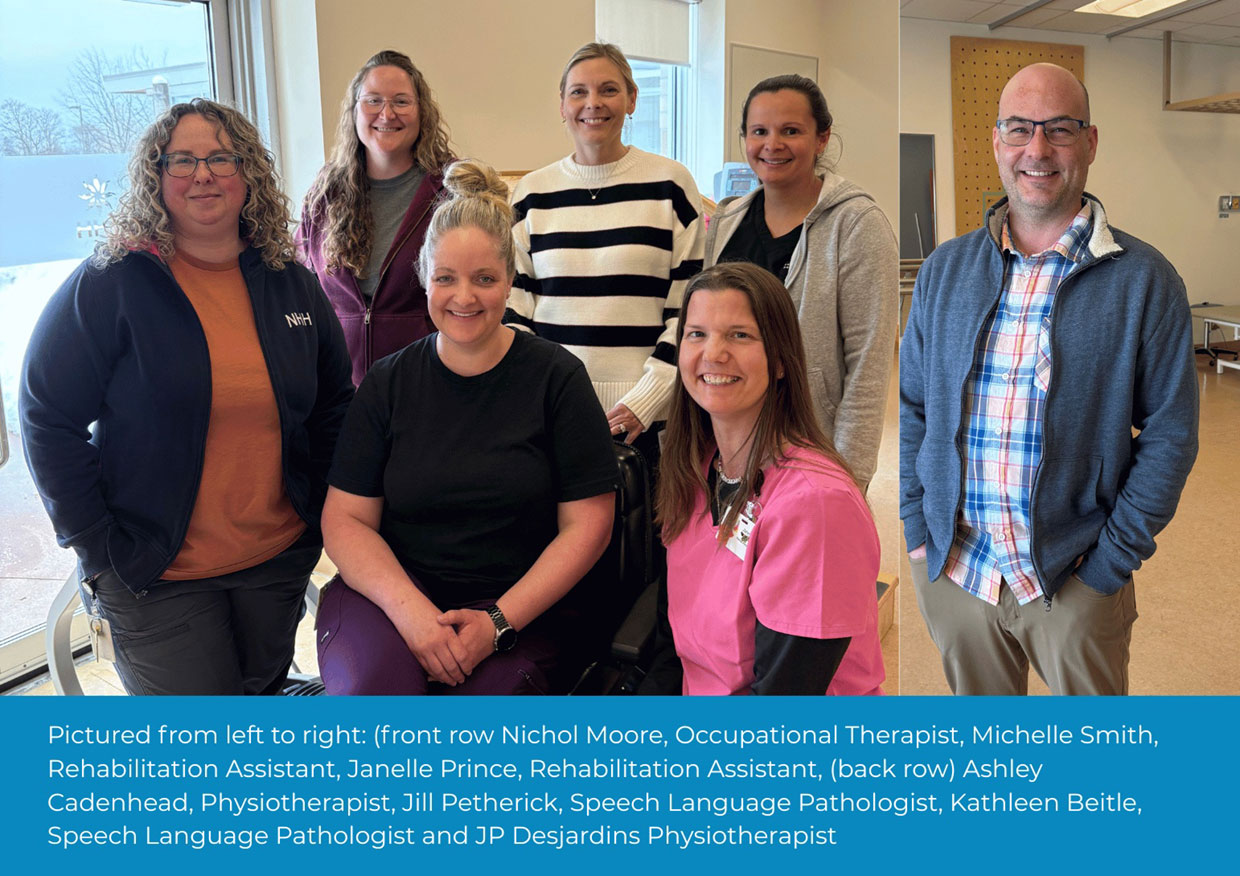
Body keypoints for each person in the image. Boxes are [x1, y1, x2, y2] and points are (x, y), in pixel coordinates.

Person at [19, 99, 354, 695]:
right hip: (156, 573)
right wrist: (98, 550)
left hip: (274, 562)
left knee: (255, 715)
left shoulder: (289, 280)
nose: (203, 173)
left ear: (248, 173)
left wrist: (319, 516)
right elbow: (46, 415)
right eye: (182, 160)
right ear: (156, 177)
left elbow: (332, 405)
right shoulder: (112, 282)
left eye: (221, 157)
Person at [900, 63, 1198, 696]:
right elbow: (915, 411)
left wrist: (1111, 564)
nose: (1037, 150)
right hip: (959, 573)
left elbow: (1171, 435)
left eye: (1059, 129)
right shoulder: (945, 271)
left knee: (1090, 779)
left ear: (1089, 143)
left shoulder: (1144, 281)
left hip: (1075, 580)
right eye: (1019, 129)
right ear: (997, 141)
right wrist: (917, 531)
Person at [317, 159, 618, 696]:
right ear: (423, 280)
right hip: (393, 596)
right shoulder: (387, 384)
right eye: (445, 278)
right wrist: (413, 617)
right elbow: (345, 520)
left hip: (524, 606)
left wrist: (497, 623)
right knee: (377, 698)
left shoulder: (558, 379)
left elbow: (588, 526)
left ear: (510, 281)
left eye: (484, 279)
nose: (464, 297)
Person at [651, 262, 884, 696]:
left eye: (739, 335)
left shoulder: (816, 502)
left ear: (779, 361)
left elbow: (784, 703)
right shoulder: (694, 470)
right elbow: (672, 653)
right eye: (696, 333)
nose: (713, 353)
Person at [507, 41, 704, 466]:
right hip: (550, 412)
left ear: (632, 99)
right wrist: (539, 394)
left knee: (642, 533)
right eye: (578, 92)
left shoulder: (671, 185)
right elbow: (515, 308)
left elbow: (689, 310)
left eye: (609, 90)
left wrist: (647, 399)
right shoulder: (531, 194)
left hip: (646, 419)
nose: (592, 104)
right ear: (561, 105)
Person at [705, 75, 896, 490]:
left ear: (822, 138)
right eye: (759, 132)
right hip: (727, 444)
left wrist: (847, 478)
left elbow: (868, 366)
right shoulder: (724, 223)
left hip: (810, 449)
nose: (772, 145)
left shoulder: (858, 226)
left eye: (791, 131)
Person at [299, 49, 454, 386]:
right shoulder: (323, 198)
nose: (386, 114)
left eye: (401, 101)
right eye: (373, 101)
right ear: (354, 111)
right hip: (340, 393)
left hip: (430, 385)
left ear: (422, 112)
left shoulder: (449, 192)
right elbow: (304, 294)